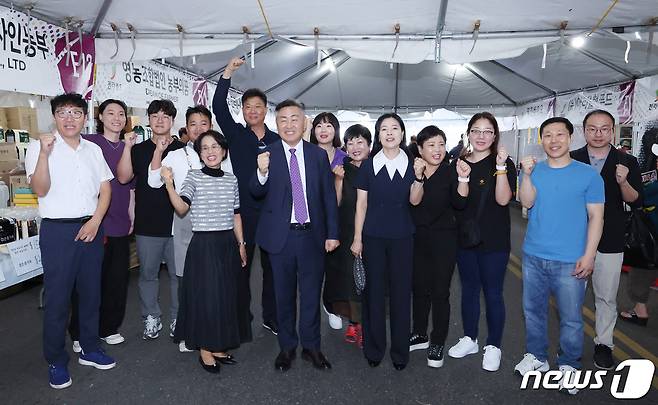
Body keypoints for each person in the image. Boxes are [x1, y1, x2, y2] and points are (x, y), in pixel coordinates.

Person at [26, 93, 115, 389]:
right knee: (58, 299)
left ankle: (89, 348)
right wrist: (43, 154)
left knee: (91, 293)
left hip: (91, 226)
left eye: (76, 113)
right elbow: (40, 189)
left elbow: (105, 189)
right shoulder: (40, 147)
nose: (69, 119)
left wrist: (96, 221)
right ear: (54, 116)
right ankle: (56, 359)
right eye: (63, 112)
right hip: (58, 233)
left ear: (85, 117)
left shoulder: (92, 149)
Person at [515, 117, 604, 396]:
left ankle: (569, 364)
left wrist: (589, 256)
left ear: (570, 137)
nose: (554, 140)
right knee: (533, 312)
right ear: (542, 140)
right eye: (548, 135)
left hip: (570, 259)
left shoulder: (588, 174)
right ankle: (537, 357)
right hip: (533, 255)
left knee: (571, 317)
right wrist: (526, 175)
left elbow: (596, 217)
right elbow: (526, 203)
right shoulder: (534, 171)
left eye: (559, 135)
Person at [250, 99, 339, 372]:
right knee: (283, 296)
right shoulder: (268, 154)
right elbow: (255, 191)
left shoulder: (316, 155)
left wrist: (333, 233)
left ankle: (311, 347)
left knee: (311, 294)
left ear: (304, 123)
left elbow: (327, 196)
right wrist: (261, 171)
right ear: (276, 124)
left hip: (312, 235)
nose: (289, 125)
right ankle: (287, 347)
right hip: (281, 238)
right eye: (283, 120)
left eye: (294, 119)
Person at [161, 130, 247, 373]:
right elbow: (180, 208)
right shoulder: (193, 177)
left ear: (223, 150)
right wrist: (169, 184)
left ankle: (218, 345)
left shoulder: (232, 179)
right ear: (200, 154)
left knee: (225, 298)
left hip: (227, 244)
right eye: (205, 148)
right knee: (207, 299)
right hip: (204, 245)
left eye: (215, 146)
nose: (210, 151)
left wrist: (241, 245)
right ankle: (205, 350)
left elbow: (236, 214)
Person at [571, 109, 642, 370]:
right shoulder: (572, 158)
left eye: (604, 128)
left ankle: (604, 344)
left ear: (612, 131)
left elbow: (636, 200)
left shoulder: (627, 161)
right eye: (592, 128)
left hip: (610, 239)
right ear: (584, 130)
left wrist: (622, 182)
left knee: (606, 297)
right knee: (571, 296)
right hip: (575, 238)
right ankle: (571, 345)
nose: (598, 134)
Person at [214, 56, 280, 336]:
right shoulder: (236, 134)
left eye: (258, 107)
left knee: (273, 269)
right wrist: (228, 72)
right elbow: (218, 107)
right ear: (242, 110)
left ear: (266, 111)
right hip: (242, 212)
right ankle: (241, 319)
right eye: (248, 107)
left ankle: (272, 317)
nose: (253, 111)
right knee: (240, 267)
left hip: (271, 213)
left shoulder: (277, 140)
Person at [448, 112, 516, 373]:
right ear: (468, 133)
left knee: (493, 292)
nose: (481, 136)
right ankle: (470, 338)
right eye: (476, 130)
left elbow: (502, 200)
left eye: (487, 131)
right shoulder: (459, 162)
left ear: (495, 136)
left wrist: (499, 167)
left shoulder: (503, 162)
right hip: (465, 239)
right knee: (468, 290)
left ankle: (494, 345)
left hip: (495, 240)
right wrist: (463, 177)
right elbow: (458, 203)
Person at [69, 99, 135, 353]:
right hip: (93, 222)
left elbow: (129, 186)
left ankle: (108, 328)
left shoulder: (129, 146)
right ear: (100, 116)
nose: (116, 118)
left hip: (119, 222)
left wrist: (131, 215)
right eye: (111, 113)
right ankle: (78, 332)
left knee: (116, 280)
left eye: (121, 113)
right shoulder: (88, 143)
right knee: (87, 281)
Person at [117, 99, 185, 340]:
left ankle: (179, 317)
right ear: (148, 119)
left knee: (180, 276)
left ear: (172, 121)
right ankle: (151, 317)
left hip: (179, 224)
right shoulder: (139, 149)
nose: (159, 120)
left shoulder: (183, 150)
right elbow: (124, 178)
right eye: (155, 115)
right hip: (148, 224)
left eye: (165, 116)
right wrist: (126, 147)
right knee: (148, 274)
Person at [351, 113, 415, 371]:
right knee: (373, 294)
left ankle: (400, 352)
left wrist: (419, 178)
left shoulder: (413, 164)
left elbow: (416, 200)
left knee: (401, 296)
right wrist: (357, 238)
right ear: (378, 135)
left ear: (402, 133)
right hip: (373, 238)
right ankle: (374, 349)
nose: (389, 133)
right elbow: (361, 204)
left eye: (395, 128)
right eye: (384, 129)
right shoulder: (368, 166)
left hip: (403, 237)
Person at [408, 126, 470, 368]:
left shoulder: (452, 170)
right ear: (420, 149)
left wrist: (464, 177)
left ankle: (437, 341)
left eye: (441, 144)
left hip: (445, 239)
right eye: (431, 145)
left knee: (440, 292)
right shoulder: (413, 170)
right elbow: (414, 201)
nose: (437, 149)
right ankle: (420, 333)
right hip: (418, 238)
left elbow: (461, 202)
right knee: (419, 288)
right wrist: (418, 176)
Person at [325, 124, 372, 346]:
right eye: (350, 142)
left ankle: (367, 323)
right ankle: (355, 323)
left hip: (371, 231)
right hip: (345, 230)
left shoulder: (376, 167)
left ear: (369, 145)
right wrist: (338, 180)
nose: (355, 147)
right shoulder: (341, 168)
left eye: (360, 142)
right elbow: (333, 204)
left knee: (369, 279)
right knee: (350, 279)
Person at [310, 112, 348, 330]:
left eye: (329, 126)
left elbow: (342, 198)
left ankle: (329, 305)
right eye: (319, 126)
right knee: (313, 268)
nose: (324, 130)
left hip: (337, 220)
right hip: (311, 221)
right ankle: (313, 307)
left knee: (334, 268)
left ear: (336, 130)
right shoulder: (305, 154)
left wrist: (337, 179)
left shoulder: (344, 157)